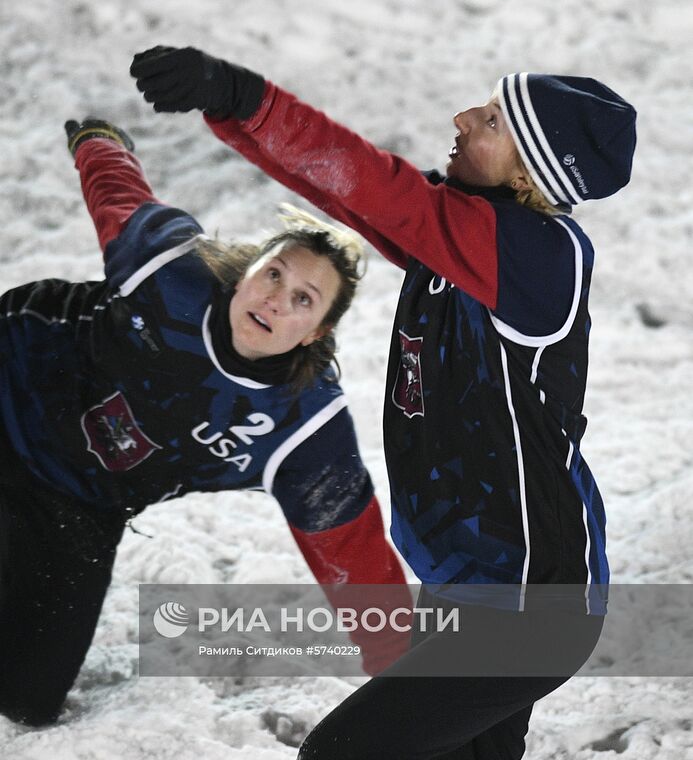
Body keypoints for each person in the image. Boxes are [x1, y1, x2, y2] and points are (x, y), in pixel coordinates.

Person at [131, 46, 637, 760]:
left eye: (491, 120)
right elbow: (350, 194)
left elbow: (381, 186)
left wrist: (248, 94)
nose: (463, 118)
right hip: (467, 585)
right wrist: (231, 112)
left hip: (529, 606)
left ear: (529, 173)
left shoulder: (536, 255)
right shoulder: (465, 236)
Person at [0, 117, 411, 728]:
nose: (275, 299)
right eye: (274, 274)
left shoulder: (303, 428)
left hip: (80, 501)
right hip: (12, 377)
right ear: (248, 268)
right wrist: (99, 140)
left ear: (318, 331)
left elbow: (355, 556)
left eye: (303, 299)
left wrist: (413, 686)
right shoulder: (168, 268)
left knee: (27, 702)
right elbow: (118, 193)